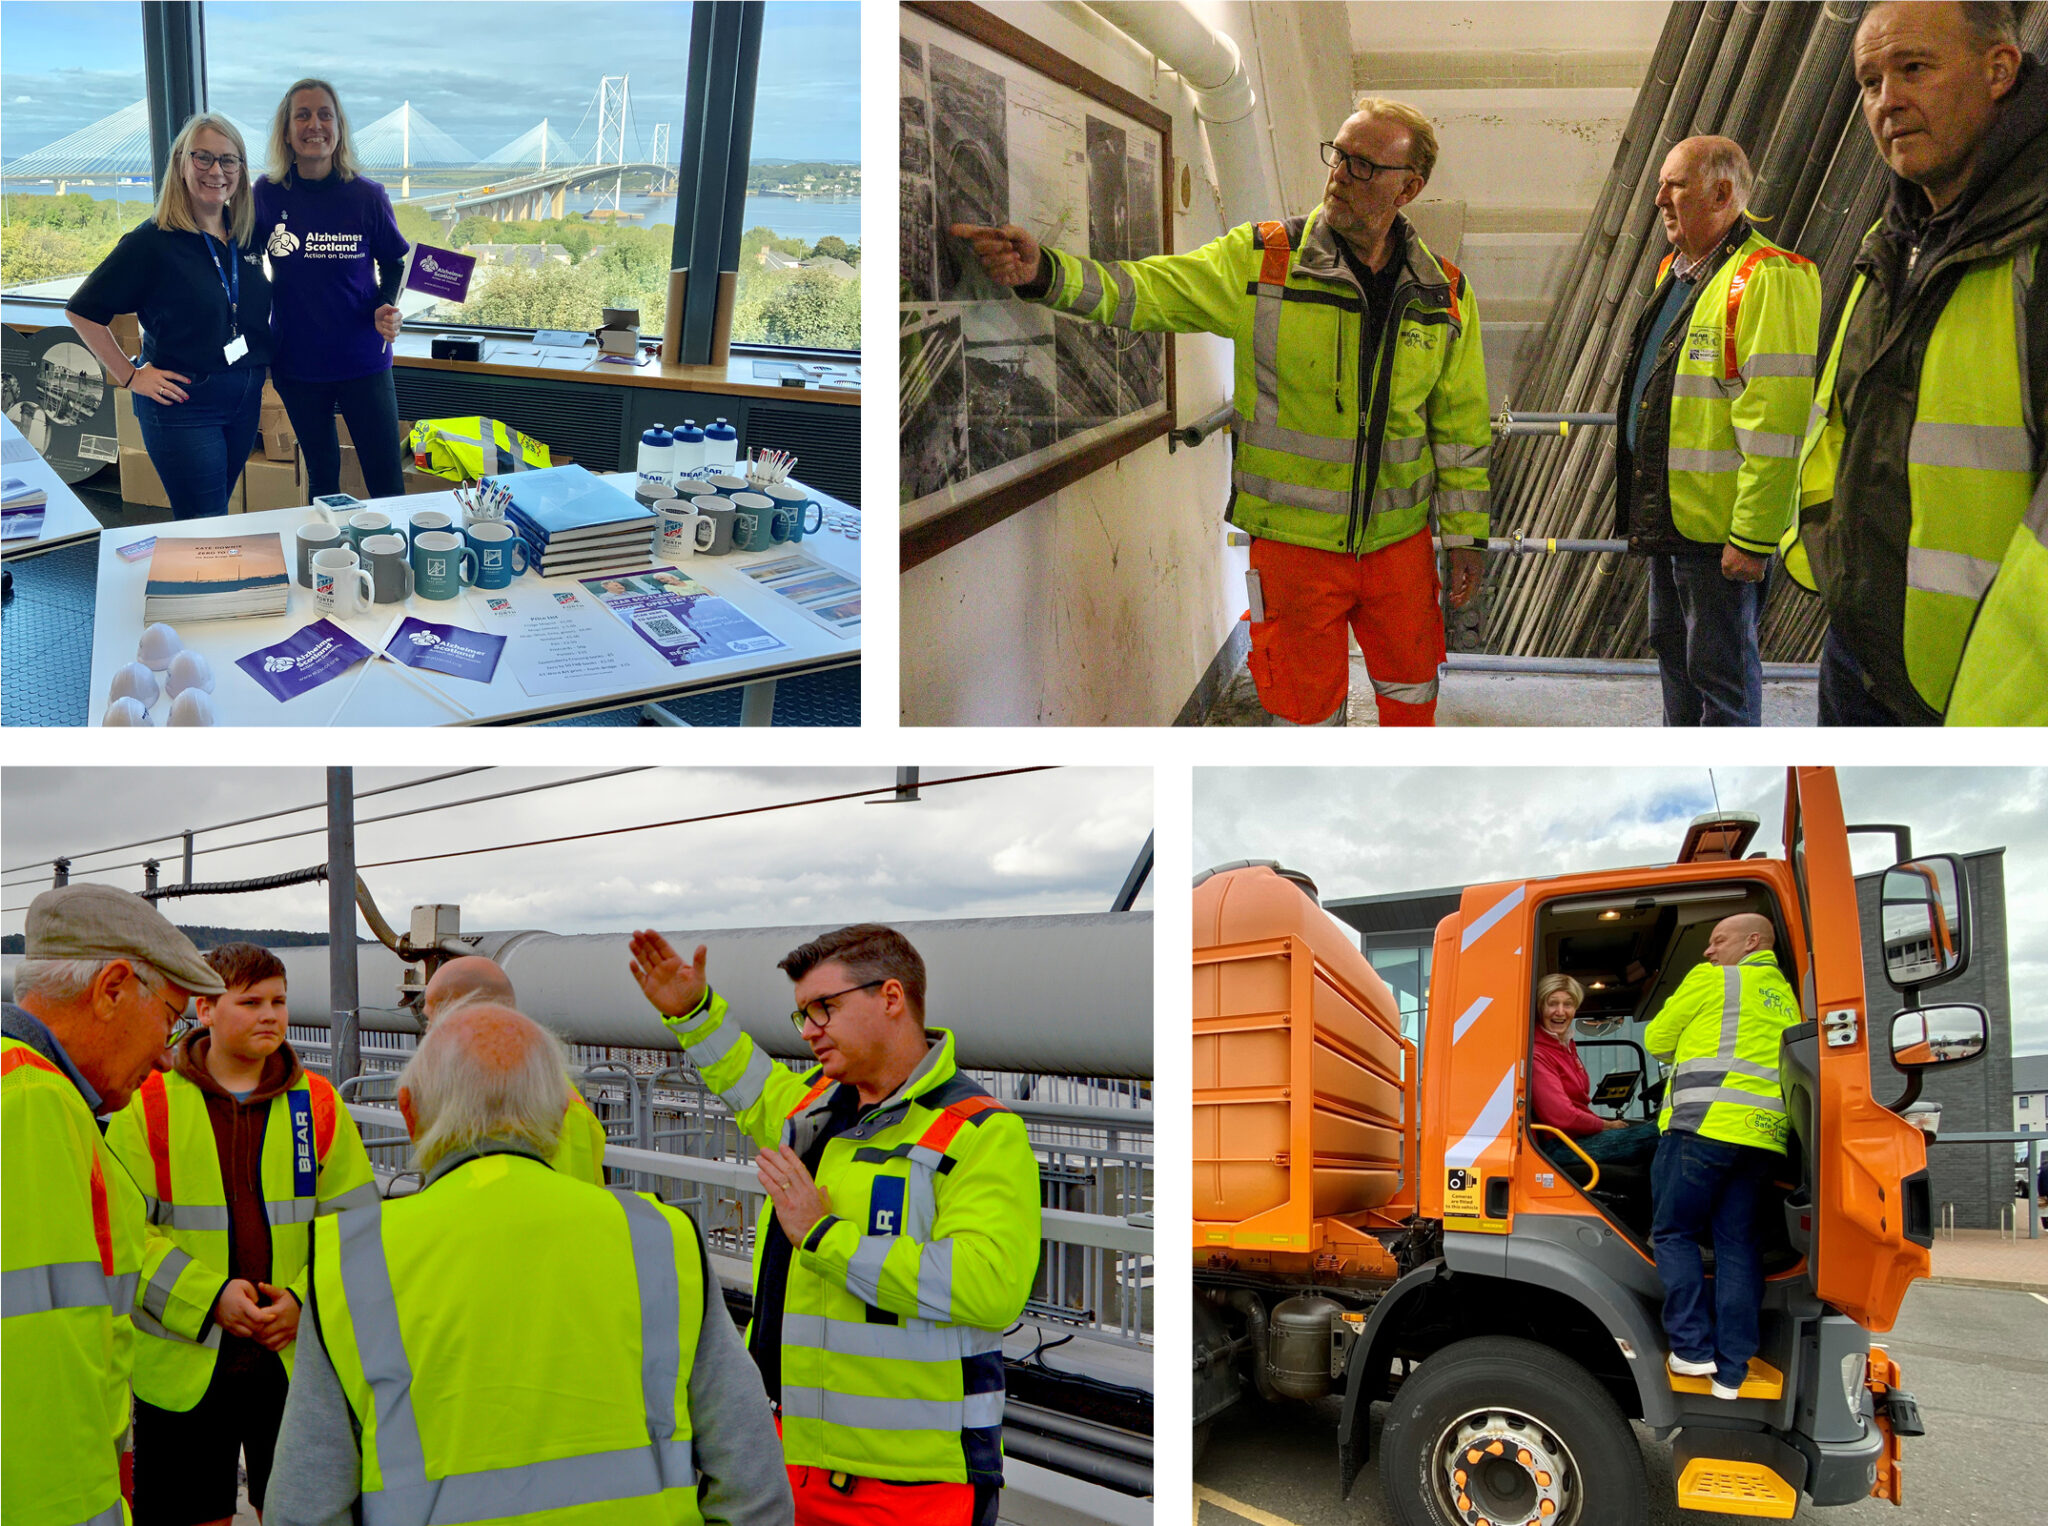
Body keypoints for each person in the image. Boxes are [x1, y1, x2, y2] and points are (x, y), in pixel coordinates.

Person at [951, 96, 1492, 727]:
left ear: (1409, 188)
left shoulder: (1444, 294)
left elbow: (1460, 431)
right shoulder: (1265, 261)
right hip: (1292, 549)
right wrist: (1045, 272)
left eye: (1365, 166)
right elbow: (1148, 290)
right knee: (1302, 718)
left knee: (1411, 698)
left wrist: (1465, 538)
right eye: (1339, 155)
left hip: (1399, 547)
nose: (1340, 174)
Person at [266, 1003, 791, 1526]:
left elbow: (304, 1505)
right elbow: (752, 1481)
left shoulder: (355, 1263)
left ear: (407, 1111)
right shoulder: (660, 1239)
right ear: (563, 1115)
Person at [627, 924, 1041, 1526]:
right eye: (803, 1015)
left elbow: (990, 1286)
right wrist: (693, 1013)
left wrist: (823, 1236)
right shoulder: (821, 1108)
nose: (811, 1029)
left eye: (825, 1008)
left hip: (909, 1487)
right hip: (788, 1457)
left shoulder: (980, 1131)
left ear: (892, 998)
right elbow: (750, 1083)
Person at [1788, 1, 2047, 725]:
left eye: (1914, 69)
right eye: (1870, 82)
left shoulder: (2033, 240)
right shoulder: (1898, 235)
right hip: (1862, 647)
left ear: (2000, 69)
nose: (1887, 101)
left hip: (1993, 686)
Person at [103, 943, 375, 1526]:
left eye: (278, 1001)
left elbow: (355, 1225)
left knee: (300, 1513)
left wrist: (304, 1301)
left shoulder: (319, 1107)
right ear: (203, 1008)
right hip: (183, 1367)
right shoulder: (147, 1104)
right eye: (250, 1002)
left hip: (297, 1364)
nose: (270, 1015)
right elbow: (123, 1235)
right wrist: (209, 1299)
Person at [3, 885, 225, 1526]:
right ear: (112, 989)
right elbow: (43, 1382)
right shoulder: (33, 1107)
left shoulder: (30, 1091)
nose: (165, 1055)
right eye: (171, 1019)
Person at [1615, 136, 1819, 727]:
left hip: (1720, 534)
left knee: (1721, 677)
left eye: (1674, 185)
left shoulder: (1766, 277)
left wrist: (1752, 538)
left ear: (1722, 192)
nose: (1659, 200)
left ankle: (1725, 783)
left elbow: (1777, 423)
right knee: (1675, 660)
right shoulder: (1677, 273)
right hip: (1673, 517)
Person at [65, 113, 272, 519]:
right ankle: (201, 582)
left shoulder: (246, 233)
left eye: (229, 160)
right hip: (184, 402)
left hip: (245, 396)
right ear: (181, 162)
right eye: (204, 158)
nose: (217, 171)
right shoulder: (151, 241)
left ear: (241, 169)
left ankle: (207, 579)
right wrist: (129, 375)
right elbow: (82, 311)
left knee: (213, 514)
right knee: (204, 521)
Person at [1643, 914, 1801, 1400]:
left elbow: (1656, 1040)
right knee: (1738, 1247)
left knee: (1674, 1232)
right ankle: (1731, 1371)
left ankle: (1691, 1349)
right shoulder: (1787, 997)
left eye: (1718, 940)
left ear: (1753, 941)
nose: (1709, 950)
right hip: (1763, 1141)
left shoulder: (1713, 979)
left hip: (1702, 1129)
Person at [254, 78, 410, 502]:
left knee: (385, 481)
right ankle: (327, 565)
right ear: (286, 131)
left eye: (325, 114)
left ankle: (388, 564)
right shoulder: (266, 194)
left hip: (364, 361)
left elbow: (394, 262)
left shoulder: (367, 196)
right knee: (322, 479)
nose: (314, 124)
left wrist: (386, 305)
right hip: (297, 364)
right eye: (301, 115)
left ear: (339, 127)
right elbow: (247, 265)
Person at [418, 954, 608, 1184]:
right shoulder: (553, 1092)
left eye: (431, 1019)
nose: (428, 1032)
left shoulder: (549, 1106)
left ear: (461, 1017)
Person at [1529, 973, 1658, 1169]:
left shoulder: (1566, 1045)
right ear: (1540, 1007)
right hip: (1561, 1145)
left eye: (1568, 1004)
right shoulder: (1539, 1053)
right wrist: (1606, 1125)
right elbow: (1562, 1115)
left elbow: (1577, 1106)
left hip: (1577, 1137)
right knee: (1661, 1134)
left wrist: (1603, 1123)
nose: (1560, 1012)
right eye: (1552, 1003)